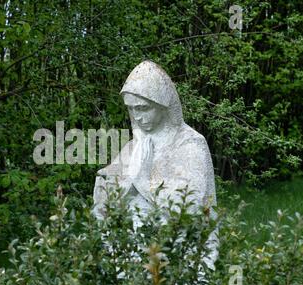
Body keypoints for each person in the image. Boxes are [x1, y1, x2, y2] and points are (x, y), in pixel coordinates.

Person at [93, 60, 218, 268]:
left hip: (180, 256)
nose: (138, 117)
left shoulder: (191, 144)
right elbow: (106, 195)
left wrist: (142, 181)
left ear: (162, 105)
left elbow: (189, 210)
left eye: (143, 108)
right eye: (132, 110)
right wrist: (107, 184)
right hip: (135, 252)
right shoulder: (135, 146)